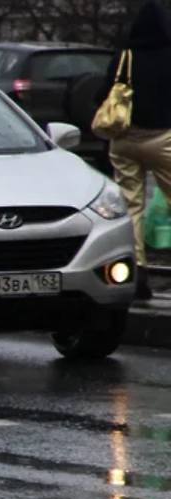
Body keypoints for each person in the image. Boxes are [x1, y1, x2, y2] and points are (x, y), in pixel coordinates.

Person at [106, 0, 171, 300]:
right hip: (164, 138)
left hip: (125, 139)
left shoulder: (125, 57)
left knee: (132, 207)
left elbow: (103, 93)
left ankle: (138, 273)